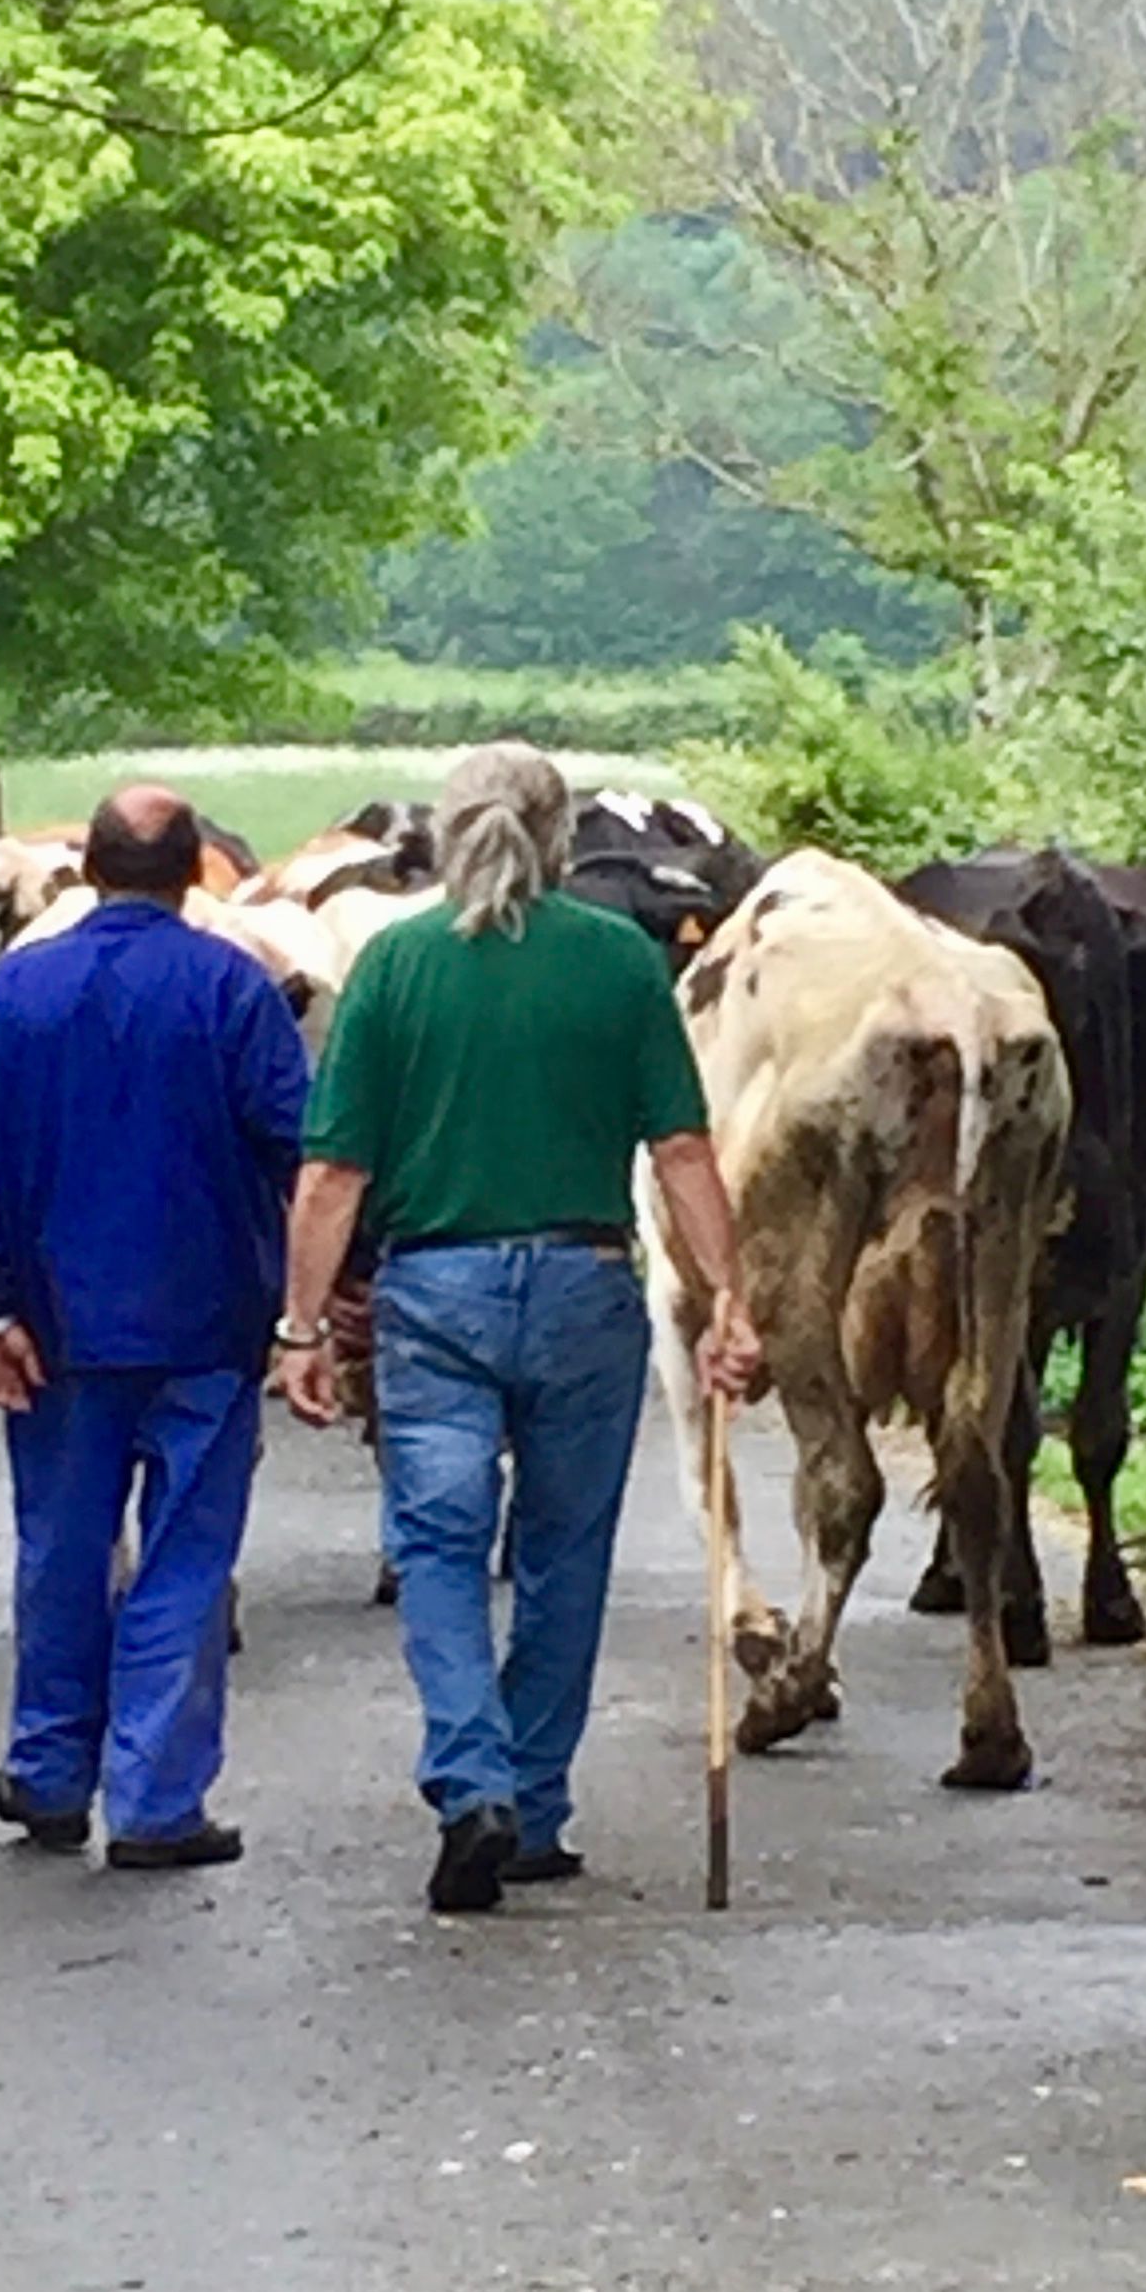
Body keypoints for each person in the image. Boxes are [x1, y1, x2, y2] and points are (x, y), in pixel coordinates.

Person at [278, 742, 762, 1915]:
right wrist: (729, 1299)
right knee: (562, 1553)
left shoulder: (393, 964)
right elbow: (684, 1152)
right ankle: (534, 1804)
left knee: (439, 1547)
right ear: (560, 839)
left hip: (433, 1296)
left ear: (448, 835)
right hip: (582, 1289)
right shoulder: (617, 961)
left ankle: (471, 1778)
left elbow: (335, 1172)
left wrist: (300, 1326)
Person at [0, 785, 310, 1869]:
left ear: (87, 872)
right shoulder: (234, 993)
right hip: (204, 1324)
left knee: (61, 1549)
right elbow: (298, 1139)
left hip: (53, 1329)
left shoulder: (17, 994)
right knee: (186, 1559)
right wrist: (313, 1294)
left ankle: (49, 1770)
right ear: (197, 873)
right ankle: (153, 1798)